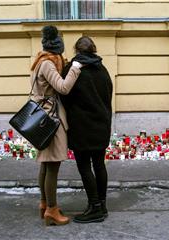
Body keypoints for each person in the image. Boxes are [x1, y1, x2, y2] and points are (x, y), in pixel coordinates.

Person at [30, 25, 83, 226]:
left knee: (45, 163)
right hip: (50, 119)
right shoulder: (48, 64)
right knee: (52, 165)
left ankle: (44, 204)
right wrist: (75, 68)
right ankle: (52, 211)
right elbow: (63, 87)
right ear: (57, 47)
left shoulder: (39, 61)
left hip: (42, 116)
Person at [61, 36, 113, 223]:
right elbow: (108, 95)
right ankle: (102, 204)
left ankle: (95, 208)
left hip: (81, 126)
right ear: (93, 50)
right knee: (99, 164)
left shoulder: (72, 69)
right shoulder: (103, 70)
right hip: (101, 124)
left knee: (84, 166)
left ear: (77, 50)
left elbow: (63, 95)